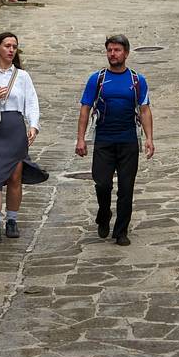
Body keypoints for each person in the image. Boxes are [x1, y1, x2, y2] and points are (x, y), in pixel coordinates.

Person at [75, 34, 155, 246]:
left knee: (126, 188)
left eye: (117, 50)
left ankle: (121, 231)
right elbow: (85, 109)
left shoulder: (137, 80)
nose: (113, 54)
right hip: (103, 140)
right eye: (110, 50)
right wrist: (80, 139)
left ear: (126, 53)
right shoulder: (97, 79)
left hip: (128, 140)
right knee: (102, 184)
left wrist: (149, 138)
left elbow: (145, 110)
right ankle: (104, 214)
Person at [0, 32, 48, 242]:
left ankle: (12, 220)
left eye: (14, 46)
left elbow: (32, 103)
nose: (11, 50)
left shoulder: (22, 76)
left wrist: (33, 126)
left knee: (15, 176)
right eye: (7, 45)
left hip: (14, 128)